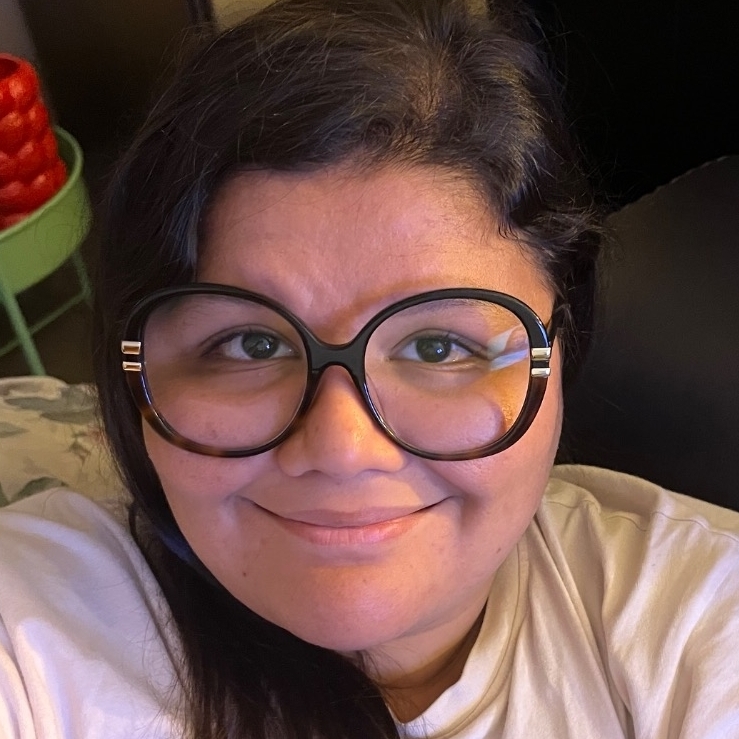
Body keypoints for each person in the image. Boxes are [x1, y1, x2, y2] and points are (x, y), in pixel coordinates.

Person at [1, 0, 738, 737]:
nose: (341, 448)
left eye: (437, 348)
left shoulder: (697, 618)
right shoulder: (33, 625)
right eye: (250, 345)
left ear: (561, 344)